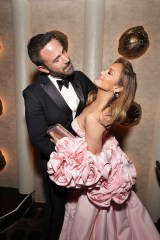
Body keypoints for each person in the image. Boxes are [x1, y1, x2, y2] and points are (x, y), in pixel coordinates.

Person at [47, 57, 160, 240]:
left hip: (92, 185)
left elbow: (92, 166)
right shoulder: (97, 106)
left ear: (118, 88)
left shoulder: (96, 116)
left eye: (110, 73)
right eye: (106, 69)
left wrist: (64, 148)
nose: (102, 72)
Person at [22, 30, 112, 240]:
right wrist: (72, 161)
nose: (66, 58)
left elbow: (97, 105)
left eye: (63, 51)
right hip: (58, 163)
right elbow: (38, 139)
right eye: (57, 58)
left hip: (89, 158)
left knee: (82, 211)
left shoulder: (80, 77)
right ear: (42, 68)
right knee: (57, 213)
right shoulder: (33, 93)